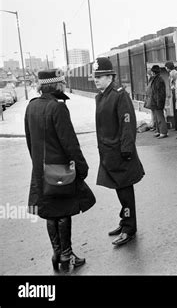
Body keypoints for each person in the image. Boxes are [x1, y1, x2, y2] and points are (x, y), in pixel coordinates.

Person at [25, 69, 96, 271]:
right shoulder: (58, 108)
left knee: (50, 212)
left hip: (40, 171)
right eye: (62, 83)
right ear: (58, 85)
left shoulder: (31, 107)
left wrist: (38, 164)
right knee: (64, 211)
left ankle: (57, 252)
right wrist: (81, 168)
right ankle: (66, 254)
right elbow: (70, 144)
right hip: (61, 171)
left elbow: (30, 141)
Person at [93, 57, 145, 246]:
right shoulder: (102, 96)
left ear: (110, 77)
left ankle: (129, 228)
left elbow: (127, 123)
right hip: (108, 153)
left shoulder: (119, 95)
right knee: (119, 189)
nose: (96, 80)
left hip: (121, 153)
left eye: (100, 76)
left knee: (125, 191)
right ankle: (124, 221)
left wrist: (126, 149)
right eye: (95, 76)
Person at [149, 65, 168, 139]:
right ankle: (160, 131)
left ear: (153, 72)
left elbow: (159, 93)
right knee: (157, 117)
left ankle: (163, 132)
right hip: (156, 101)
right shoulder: (157, 79)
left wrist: (158, 102)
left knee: (160, 117)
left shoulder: (158, 80)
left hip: (158, 101)